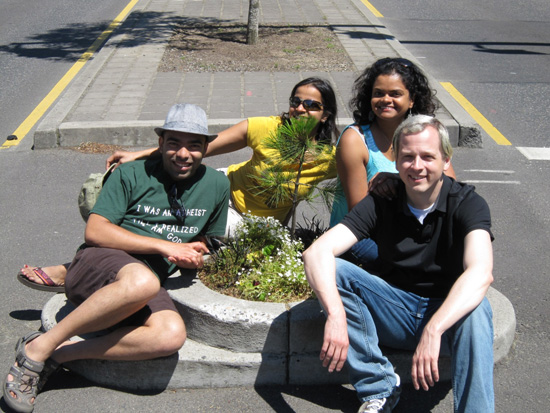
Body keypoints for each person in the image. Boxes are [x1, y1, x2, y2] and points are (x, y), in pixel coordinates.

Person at [3, 104, 230, 413]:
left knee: (170, 335)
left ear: (206, 148)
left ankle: (59, 354)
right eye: (174, 142)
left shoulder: (216, 185)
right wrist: (165, 247)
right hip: (100, 263)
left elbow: (208, 240)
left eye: (194, 145)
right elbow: (95, 232)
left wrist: (197, 253)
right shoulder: (132, 173)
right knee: (142, 281)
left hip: (147, 281)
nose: (183, 153)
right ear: (161, 143)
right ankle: (37, 350)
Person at [17, 77, 339, 291]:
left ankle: (84, 269)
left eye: (311, 104)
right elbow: (199, 148)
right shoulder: (265, 127)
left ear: (325, 115)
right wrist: (143, 155)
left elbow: (364, 175)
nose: (300, 108)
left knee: (173, 234)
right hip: (222, 187)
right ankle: (81, 265)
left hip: (244, 223)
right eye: (296, 100)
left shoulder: (329, 158)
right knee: (158, 224)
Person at [303, 115, 494, 413]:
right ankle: (379, 387)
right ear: (396, 161)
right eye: (407, 157)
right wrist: (336, 315)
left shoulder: (467, 203)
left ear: (446, 159)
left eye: (427, 156)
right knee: (336, 270)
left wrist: (434, 329)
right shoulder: (383, 199)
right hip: (394, 310)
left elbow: (481, 271)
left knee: (478, 308)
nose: (417, 166)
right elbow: (316, 253)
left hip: (446, 320)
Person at [330, 57, 456, 269]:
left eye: (395, 94)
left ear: (412, 99)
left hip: (410, 231)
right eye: (378, 93)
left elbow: (450, 188)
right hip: (359, 237)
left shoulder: (426, 134)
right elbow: (359, 216)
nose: (385, 99)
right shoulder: (354, 139)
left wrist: (398, 181)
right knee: (414, 266)